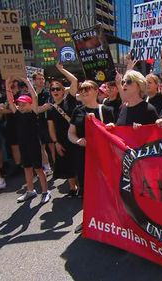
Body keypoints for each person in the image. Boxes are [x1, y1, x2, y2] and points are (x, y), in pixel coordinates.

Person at [68, 80, 115, 233]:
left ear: (96, 91)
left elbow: (115, 135)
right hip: (83, 156)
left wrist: (111, 129)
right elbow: (71, 133)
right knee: (87, 189)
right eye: (81, 90)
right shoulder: (77, 111)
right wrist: (78, 140)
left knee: (105, 188)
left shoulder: (107, 110)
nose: (83, 92)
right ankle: (88, 219)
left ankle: (108, 221)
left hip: (102, 156)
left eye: (87, 89)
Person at [5, 77, 50, 203]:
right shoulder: (17, 113)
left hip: (34, 145)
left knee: (39, 169)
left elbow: (34, 96)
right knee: (27, 168)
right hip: (23, 145)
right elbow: (10, 100)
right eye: (19, 104)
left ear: (30, 104)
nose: (20, 106)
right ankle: (30, 191)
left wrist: (26, 81)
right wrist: (7, 84)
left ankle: (45, 192)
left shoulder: (33, 112)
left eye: (23, 104)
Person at [47, 62, 80, 196]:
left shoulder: (70, 100)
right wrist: (56, 142)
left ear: (63, 90)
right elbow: (51, 128)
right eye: (52, 89)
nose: (55, 91)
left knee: (79, 162)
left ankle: (82, 187)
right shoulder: (51, 109)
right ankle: (73, 188)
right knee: (67, 164)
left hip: (76, 137)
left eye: (58, 89)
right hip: (62, 140)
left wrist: (61, 70)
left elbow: (75, 81)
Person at [32, 72, 54, 176]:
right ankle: (47, 167)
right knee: (41, 146)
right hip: (36, 124)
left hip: (48, 122)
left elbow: (47, 106)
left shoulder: (48, 93)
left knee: (52, 145)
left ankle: (57, 165)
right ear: (34, 81)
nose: (42, 80)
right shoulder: (31, 94)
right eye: (39, 79)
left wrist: (34, 109)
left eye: (43, 79)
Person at [146, 48, 162, 115]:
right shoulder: (142, 99)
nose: (147, 84)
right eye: (145, 83)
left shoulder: (161, 97)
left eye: (150, 82)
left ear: (157, 85)